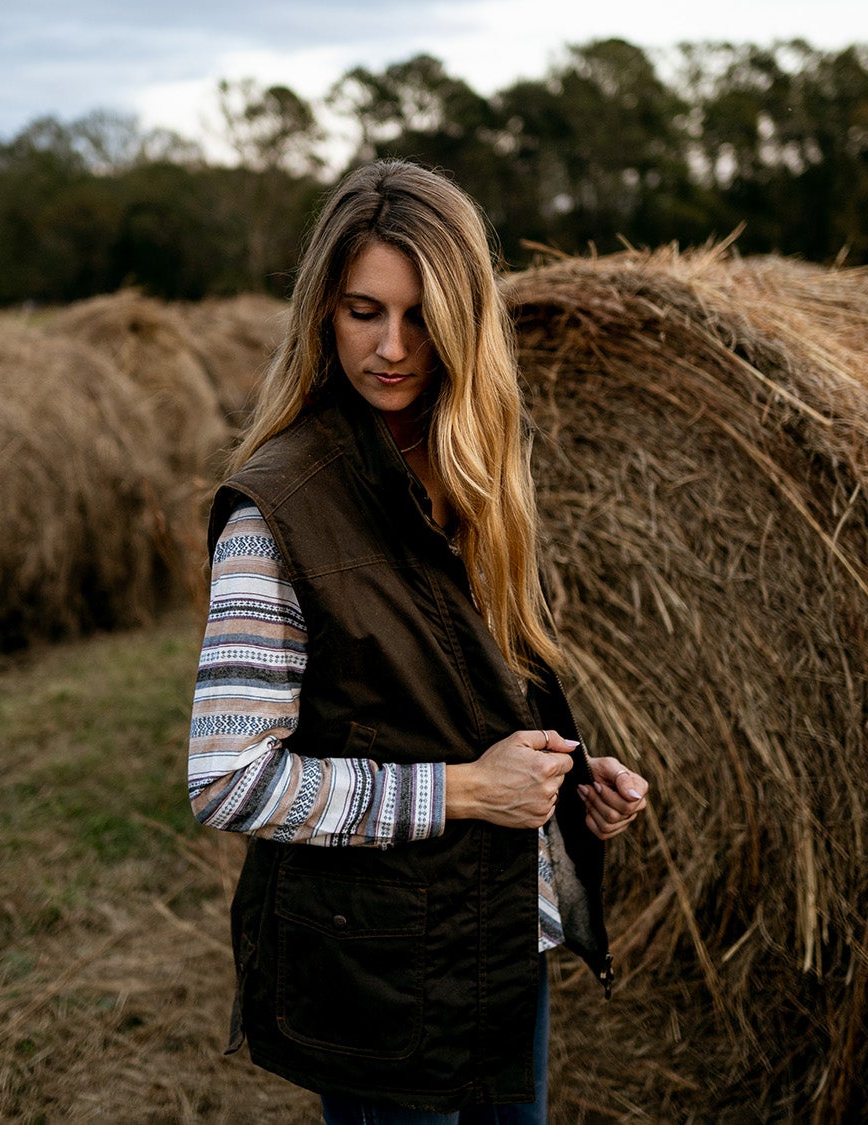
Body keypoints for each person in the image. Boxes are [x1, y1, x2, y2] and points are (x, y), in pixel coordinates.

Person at [187, 160, 650, 1122]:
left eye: (422, 315)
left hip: (497, 939)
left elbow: (459, 697)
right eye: (364, 311)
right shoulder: (277, 511)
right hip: (380, 977)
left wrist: (565, 785)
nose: (392, 348)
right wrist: (473, 789)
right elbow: (228, 778)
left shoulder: (474, 479)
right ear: (322, 311)